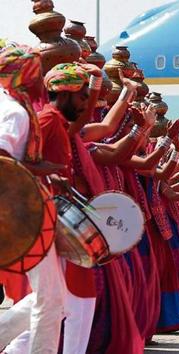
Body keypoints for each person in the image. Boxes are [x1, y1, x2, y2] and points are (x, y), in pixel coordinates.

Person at [0, 45, 67, 354]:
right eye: (38, 73)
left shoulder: (10, 105)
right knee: (50, 298)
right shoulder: (14, 112)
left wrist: (44, 173)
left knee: (52, 296)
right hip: (20, 217)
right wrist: (40, 169)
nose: (43, 80)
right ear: (25, 76)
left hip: (22, 212)